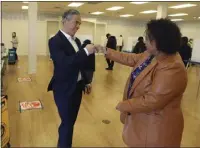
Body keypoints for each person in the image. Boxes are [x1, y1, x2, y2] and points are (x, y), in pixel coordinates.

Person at [99, 18, 187, 147]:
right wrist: (106, 51)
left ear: (158, 42)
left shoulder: (172, 67)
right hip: (142, 120)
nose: (144, 41)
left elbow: (153, 100)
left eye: (147, 38)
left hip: (156, 128)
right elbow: (131, 58)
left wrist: (124, 105)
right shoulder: (152, 54)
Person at [47, 9, 98, 148]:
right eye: (76, 22)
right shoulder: (55, 41)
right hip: (64, 90)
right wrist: (86, 51)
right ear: (65, 20)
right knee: (67, 123)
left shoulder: (76, 41)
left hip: (77, 88)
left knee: (70, 122)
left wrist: (86, 82)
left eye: (79, 23)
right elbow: (64, 63)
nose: (78, 26)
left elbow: (79, 64)